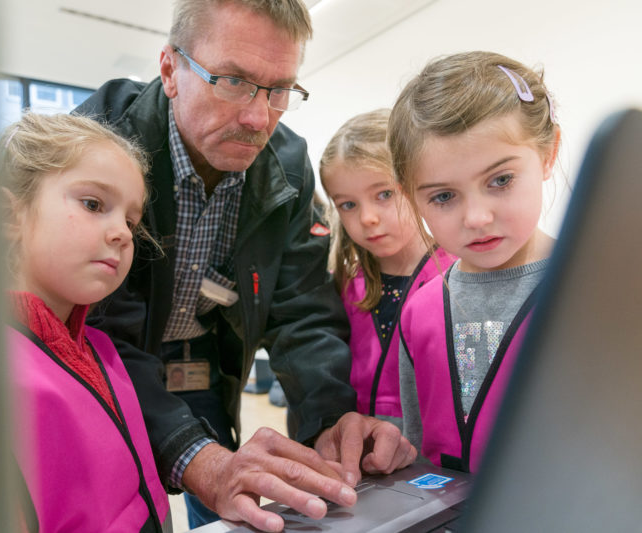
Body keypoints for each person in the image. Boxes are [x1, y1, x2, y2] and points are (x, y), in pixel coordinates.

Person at [75, 1, 416, 530]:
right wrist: (201, 462)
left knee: (226, 501)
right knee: (130, 503)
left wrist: (329, 422)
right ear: (170, 70)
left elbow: (303, 313)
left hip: (209, 359)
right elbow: (91, 331)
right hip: (110, 364)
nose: (259, 118)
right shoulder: (101, 141)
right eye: (232, 80)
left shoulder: (286, 162)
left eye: (280, 89)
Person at [389, 51, 562, 472]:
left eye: (500, 181)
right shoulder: (419, 312)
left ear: (547, 154)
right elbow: (420, 452)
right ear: (411, 195)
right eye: (443, 197)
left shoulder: (599, 288)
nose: (477, 218)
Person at [0, 113, 169, 532]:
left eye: (131, 221)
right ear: (9, 215)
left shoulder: (103, 350)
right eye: (93, 204)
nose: (124, 234)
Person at [319, 108, 455, 426]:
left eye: (384, 194)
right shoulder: (344, 285)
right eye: (348, 205)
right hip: (360, 452)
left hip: (436, 454)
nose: (367, 218)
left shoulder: (456, 279)